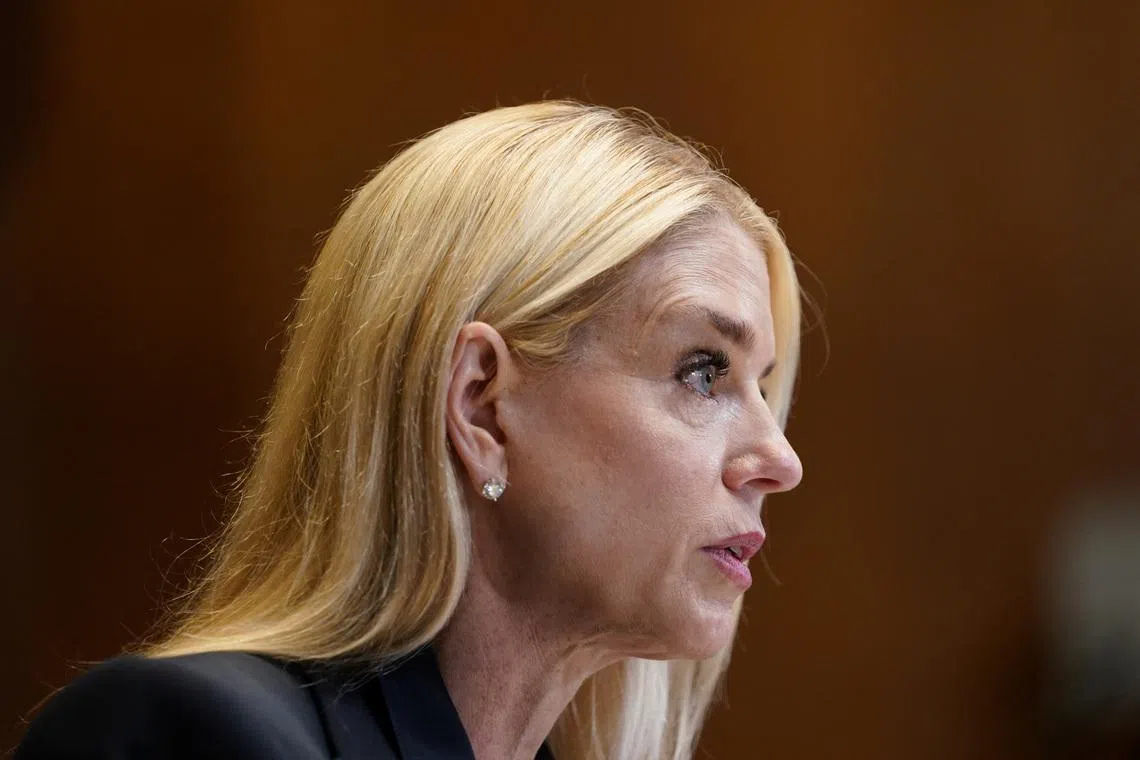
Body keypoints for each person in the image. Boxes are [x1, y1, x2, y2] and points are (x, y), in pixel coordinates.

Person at [16, 100, 804, 760]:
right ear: (481, 405)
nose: (779, 460)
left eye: (762, 388)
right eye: (703, 371)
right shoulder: (193, 740)